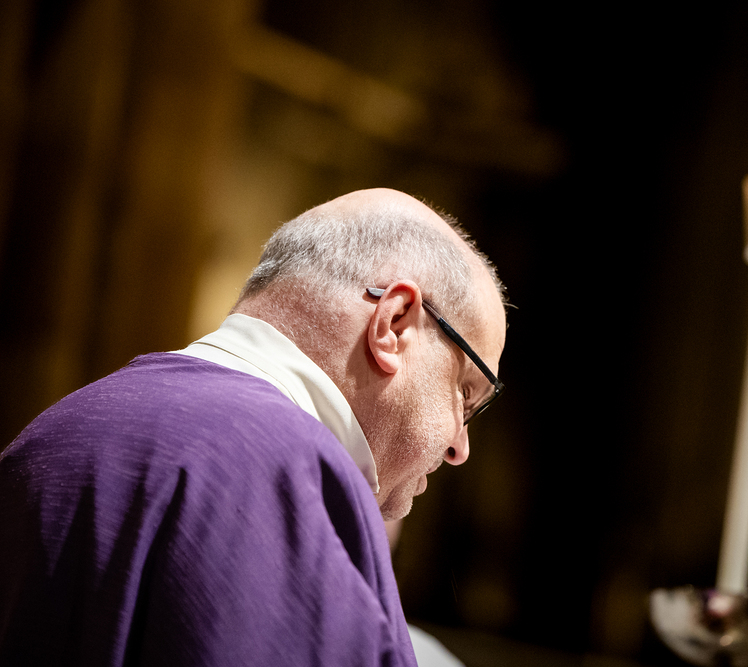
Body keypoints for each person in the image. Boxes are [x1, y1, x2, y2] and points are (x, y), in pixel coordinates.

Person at [0, 188, 507, 666]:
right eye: (466, 394)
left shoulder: (53, 429)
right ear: (394, 325)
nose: (459, 447)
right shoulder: (293, 474)